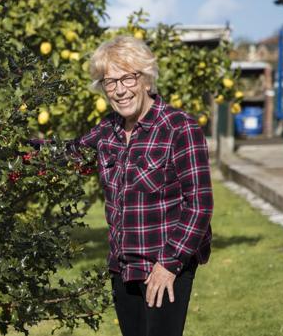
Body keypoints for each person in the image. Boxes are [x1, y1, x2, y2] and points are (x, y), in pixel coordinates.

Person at [68, 35, 213, 336]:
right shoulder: (108, 130)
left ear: (146, 79)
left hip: (164, 264)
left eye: (127, 79)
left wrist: (168, 264)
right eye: (110, 82)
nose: (120, 90)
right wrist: (6, 146)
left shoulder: (178, 127)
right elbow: (65, 153)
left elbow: (199, 205)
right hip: (123, 266)